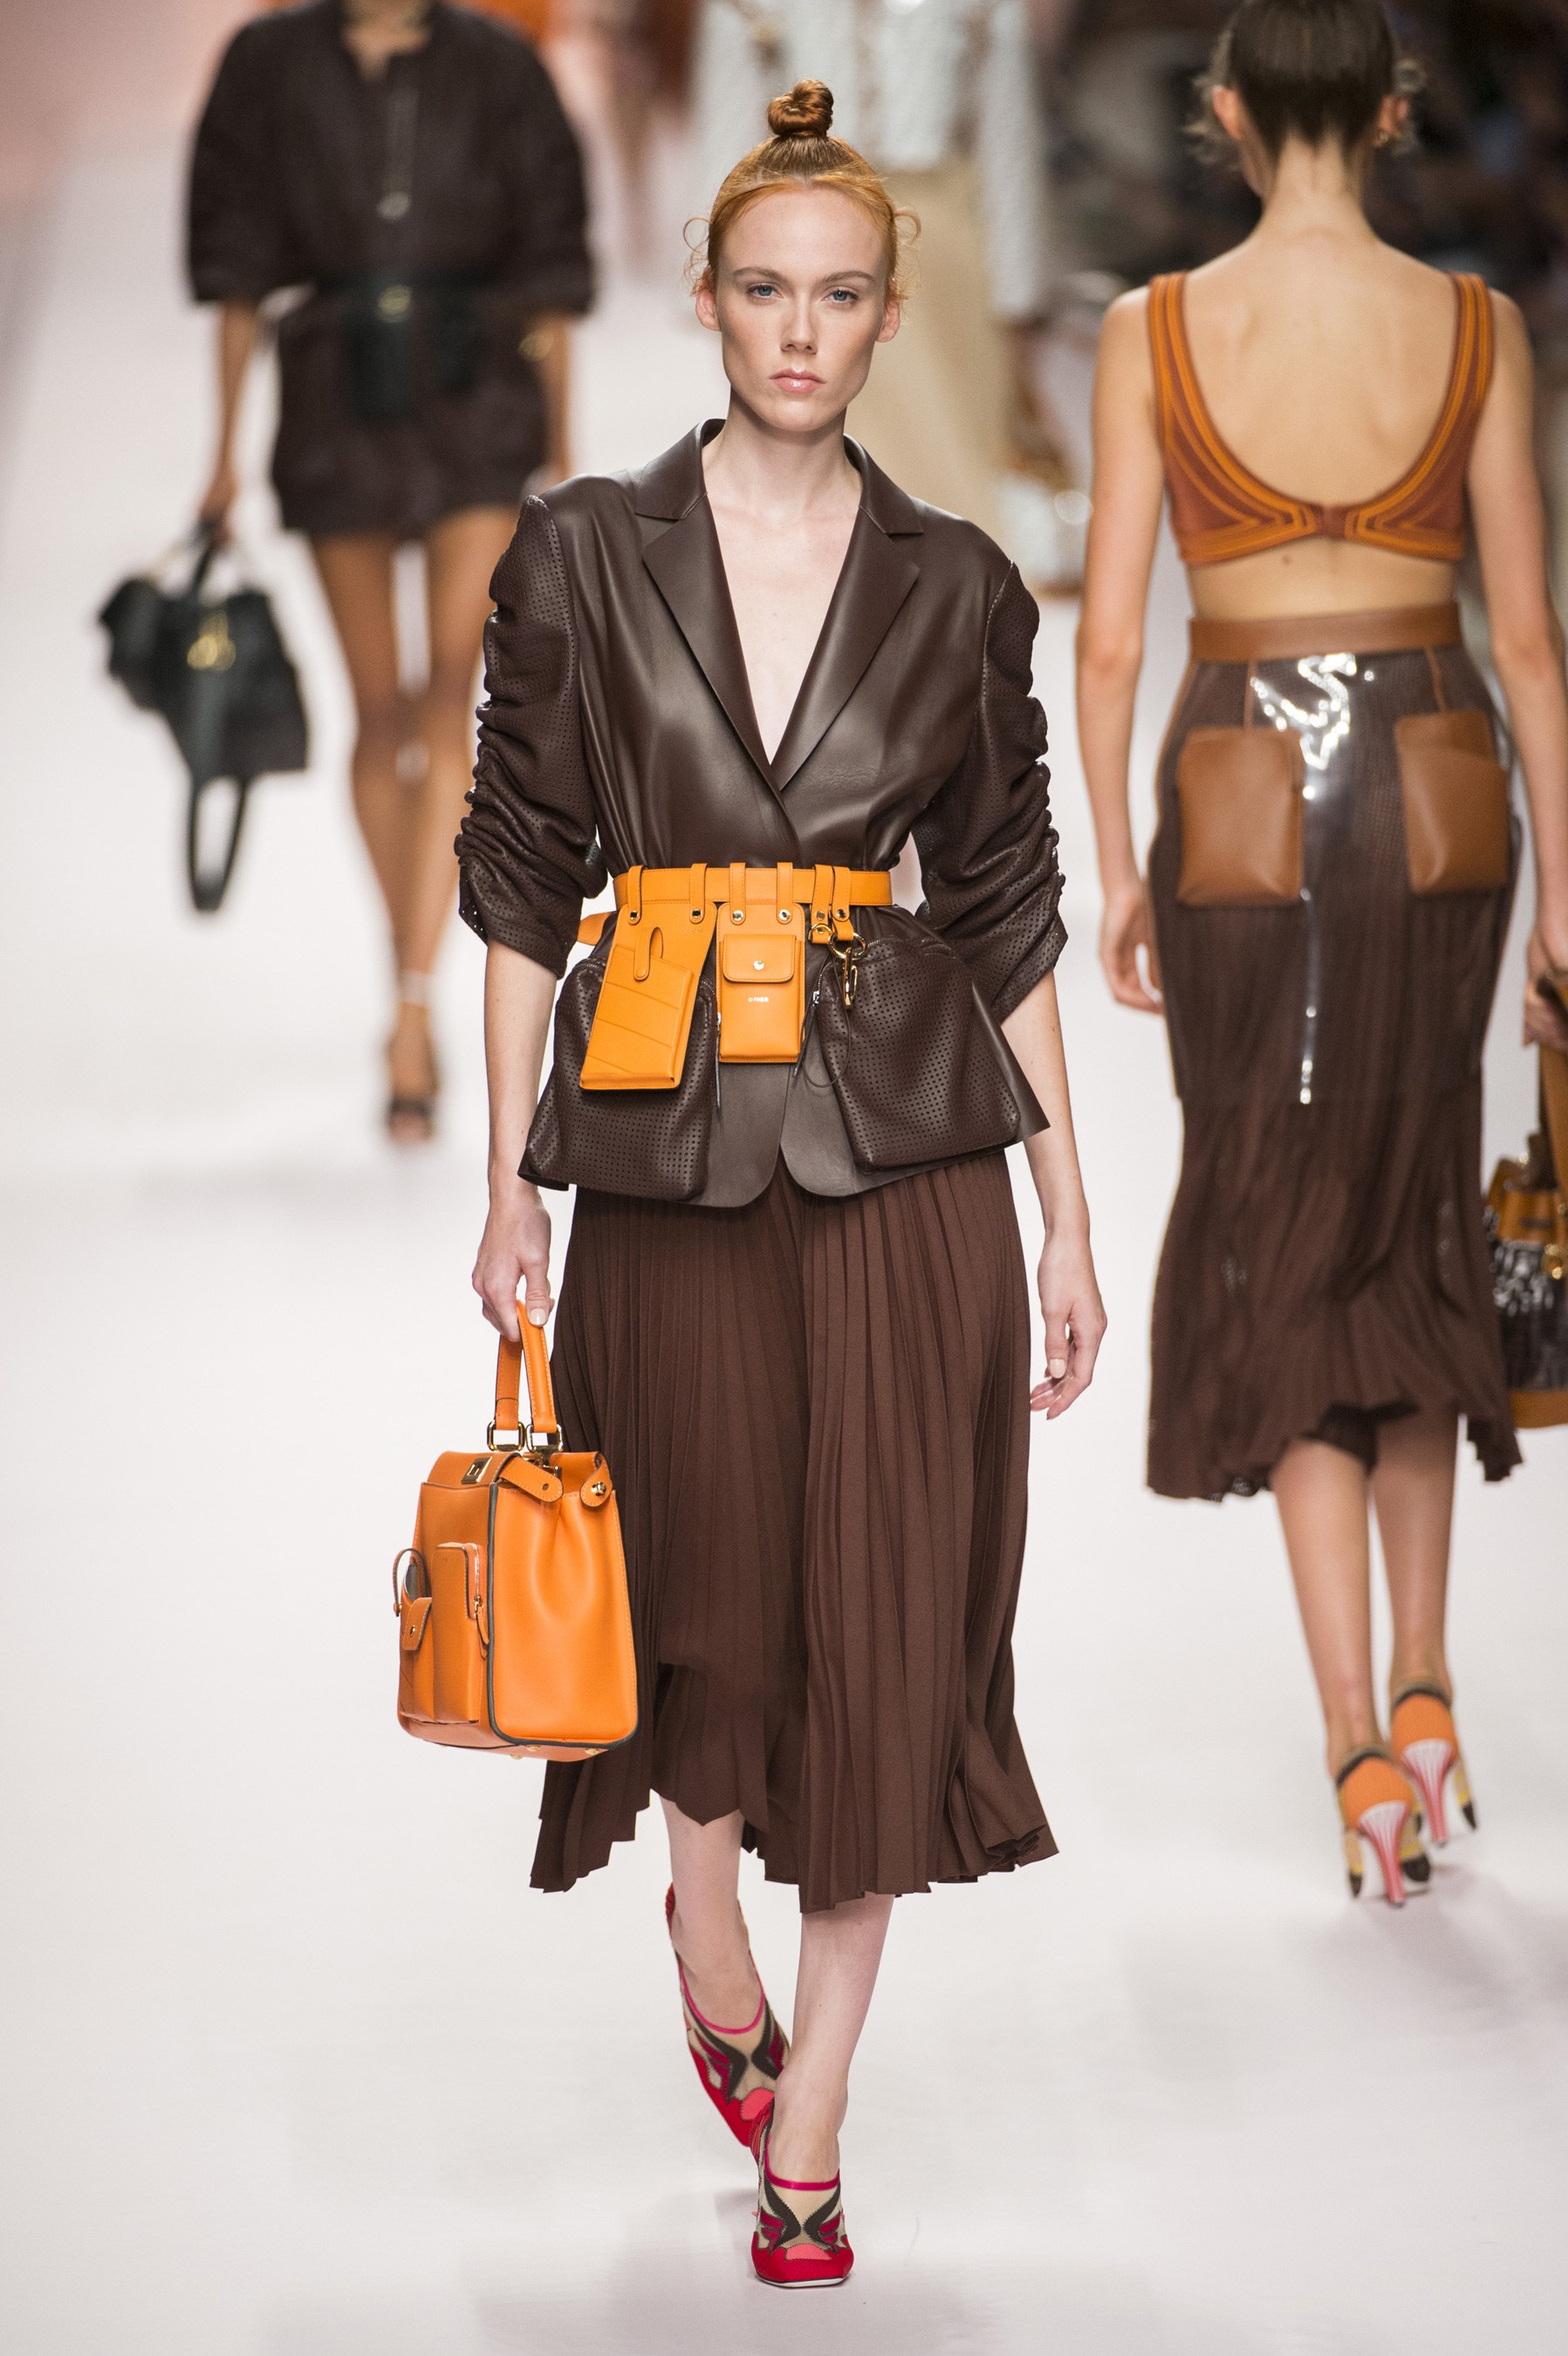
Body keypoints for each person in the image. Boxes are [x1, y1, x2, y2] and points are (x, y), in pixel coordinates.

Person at [460, 79, 1105, 2284]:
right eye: (764, 291)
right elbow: (520, 877)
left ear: (889, 309)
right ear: (707, 299)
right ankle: (703, 1923)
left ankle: (808, 2116)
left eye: (838, 295)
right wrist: (506, 1181)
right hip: (662, 1148)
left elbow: (1002, 908)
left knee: (887, 1620)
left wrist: (1069, 1213)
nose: (802, 332)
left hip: (907, 1161)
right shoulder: (583, 555)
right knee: (702, 1614)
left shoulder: (958, 586)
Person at [1077, 0, 1568, 1905]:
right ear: (1387, 111)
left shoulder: (1152, 332)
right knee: (1411, 1208)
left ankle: (1356, 1737)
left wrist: (1120, 867)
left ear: (1218, 113)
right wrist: (1563, 893)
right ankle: (1431, 1684)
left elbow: (1109, 639)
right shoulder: (1475, 329)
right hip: (1437, 779)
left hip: (1240, 792)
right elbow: (1527, 640)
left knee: (1281, 1227)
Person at [187, 0, 592, 1140]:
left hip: (477, 395)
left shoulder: (500, 67)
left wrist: (563, 449)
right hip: (334, 400)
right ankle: (404, 965)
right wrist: (221, 454)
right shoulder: (268, 65)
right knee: (377, 709)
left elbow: (551, 267)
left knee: (447, 697)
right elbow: (236, 267)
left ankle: (412, 1010)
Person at [694, 0, 1082, 587]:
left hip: (942, 257)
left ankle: (940, 613)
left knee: (950, 464)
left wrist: (1018, 296)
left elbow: (1008, 141)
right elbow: (726, 129)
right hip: (805, 239)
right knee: (821, 446)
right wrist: (728, 274)